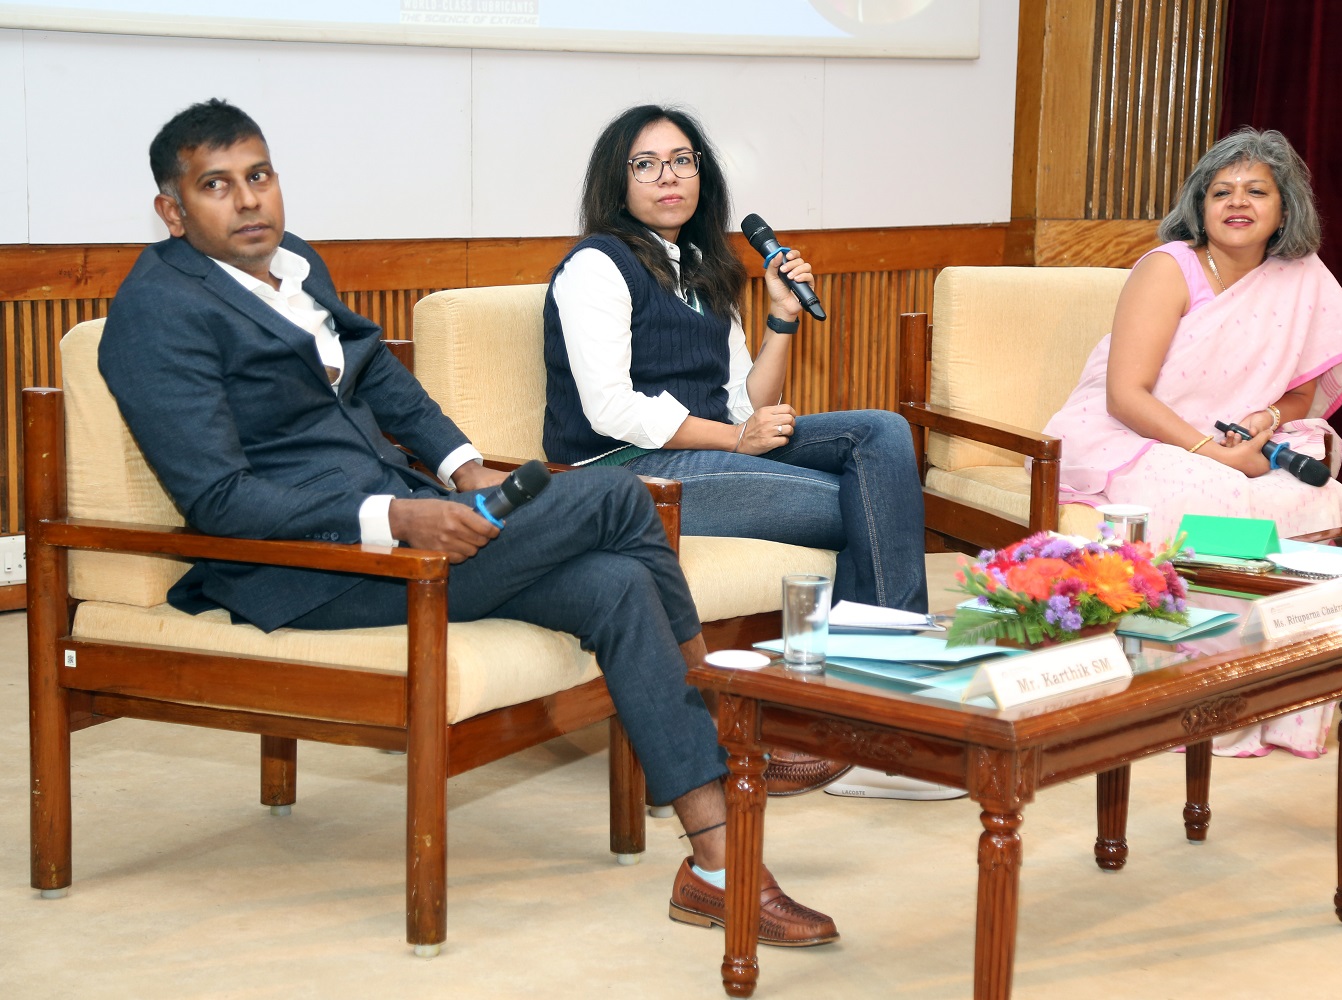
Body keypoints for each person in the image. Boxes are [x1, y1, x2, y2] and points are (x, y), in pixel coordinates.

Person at [97, 98, 837, 947]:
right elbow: (218, 500)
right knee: (617, 496)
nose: (250, 201)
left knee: (621, 583)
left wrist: (460, 465)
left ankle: (718, 869)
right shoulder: (157, 313)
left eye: (259, 176)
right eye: (217, 186)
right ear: (172, 208)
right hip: (317, 570)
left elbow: (375, 368)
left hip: (413, 520)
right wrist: (393, 516)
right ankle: (727, 738)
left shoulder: (292, 264)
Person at [543, 104, 930, 794]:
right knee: (867, 501)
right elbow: (612, 409)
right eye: (647, 164)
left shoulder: (699, 267)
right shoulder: (595, 267)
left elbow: (747, 403)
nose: (669, 177)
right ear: (618, 181)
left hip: (710, 450)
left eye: (683, 160)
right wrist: (736, 438)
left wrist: (782, 318)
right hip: (628, 473)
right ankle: (879, 724)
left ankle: (871, 709)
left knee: (884, 434)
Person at [1043, 127, 1342, 758]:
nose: (1237, 202)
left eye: (1256, 190)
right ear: (1199, 205)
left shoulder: (1299, 275)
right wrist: (1208, 451)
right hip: (1137, 432)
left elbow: (1300, 392)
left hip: (1235, 438)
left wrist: (1267, 419)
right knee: (1218, 498)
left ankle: (1283, 701)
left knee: (1321, 499)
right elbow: (1128, 396)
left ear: (1285, 208)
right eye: (1220, 191)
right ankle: (1188, 697)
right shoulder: (1170, 268)